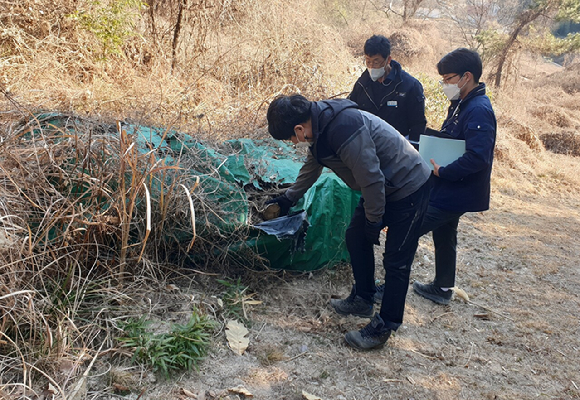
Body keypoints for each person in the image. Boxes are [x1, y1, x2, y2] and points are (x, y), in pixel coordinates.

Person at [265, 94, 431, 350]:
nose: (293, 142)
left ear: (299, 128)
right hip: (382, 186)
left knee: (396, 261)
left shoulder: (343, 128)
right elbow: (313, 166)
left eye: (291, 138)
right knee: (356, 236)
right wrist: (288, 198)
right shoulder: (319, 125)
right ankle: (364, 298)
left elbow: (372, 177)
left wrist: (374, 221)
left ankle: (384, 326)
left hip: (407, 184)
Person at [376, 48, 497, 305]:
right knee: (444, 234)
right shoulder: (461, 104)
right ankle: (442, 288)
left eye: (448, 78)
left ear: (466, 76)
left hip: (457, 190)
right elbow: (454, 141)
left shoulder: (478, 110)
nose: (444, 84)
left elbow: (478, 157)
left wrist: (443, 171)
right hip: (447, 187)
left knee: (406, 230)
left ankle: (389, 287)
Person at [348, 34, 426, 148]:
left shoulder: (409, 86)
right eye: (368, 61)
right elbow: (351, 110)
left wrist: (412, 150)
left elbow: (418, 124)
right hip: (367, 146)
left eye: (376, 61)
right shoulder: (362, 84)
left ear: (388, 60)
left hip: (397, 147)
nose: (371, 66)